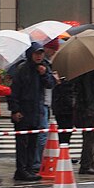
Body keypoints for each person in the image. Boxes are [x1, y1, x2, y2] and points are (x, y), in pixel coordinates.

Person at [8, 41, 56, 181]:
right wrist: (15, 110)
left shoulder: (43, 67)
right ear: (30, 54)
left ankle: (29, 168)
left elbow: (50, 84)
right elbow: (14, 92)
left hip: (36, 111)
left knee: (33, 142)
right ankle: (21, 169)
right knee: (22, 143)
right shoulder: (22, 69)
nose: (39, 56)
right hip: (23, 111)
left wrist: (44, 74)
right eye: (36, 53)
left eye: (41, 53)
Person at [33, 38, 59, 174]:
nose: (55, 52)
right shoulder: (37, 67)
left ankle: (37, 161)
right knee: (41, 134)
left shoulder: (46, 65)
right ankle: (37, 162)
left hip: (46, 103)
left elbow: (49, 83)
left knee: (42, 134)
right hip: (40, 103)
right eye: (53, 49)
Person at [73, 68, 94, 174]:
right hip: (91, 107)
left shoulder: (81, 71)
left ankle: (90, 162)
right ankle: (87, 164)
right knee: (90, 138)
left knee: (90, 137)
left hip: (87, 107)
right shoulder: (91, 72)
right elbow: (93, 91)